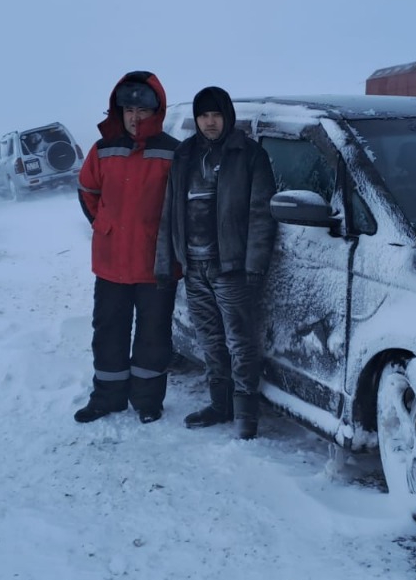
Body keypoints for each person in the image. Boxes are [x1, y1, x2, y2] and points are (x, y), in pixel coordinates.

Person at [155, 86, 277, 440]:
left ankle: (246, 415)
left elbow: (260, 214)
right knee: (209, 339)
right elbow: (170, 212)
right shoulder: (184, 155)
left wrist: (253, 266)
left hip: (232, 268)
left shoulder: (249, 155)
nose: (210, 122)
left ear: (228, 116)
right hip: (194, 266)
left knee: (240, 341)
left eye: (216, 115)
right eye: (203, 115)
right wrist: (167, 263)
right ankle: (219, 404)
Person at [74, 70, 180, 425]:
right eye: (128, 110)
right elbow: (88, 192)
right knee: (108, 332)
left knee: (153, 336)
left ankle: (148, 400)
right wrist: (105, 226)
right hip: (111, 262)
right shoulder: (103, 150)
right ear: (119, 111)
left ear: (157, 112)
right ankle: (107, 398)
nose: (135, 118)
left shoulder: (172, 153)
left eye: (142, 111)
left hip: (156, 266)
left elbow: (182, 207)